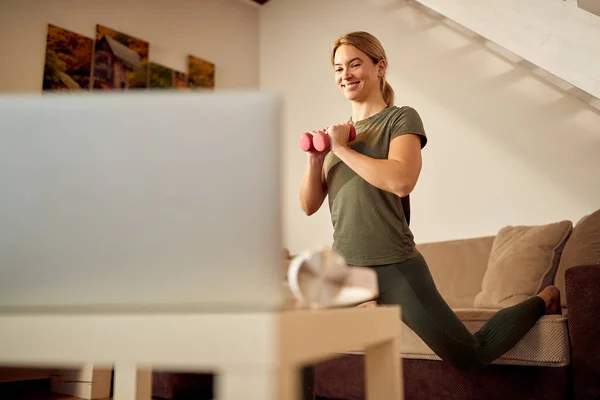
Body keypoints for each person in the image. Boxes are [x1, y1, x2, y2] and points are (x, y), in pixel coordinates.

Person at [298, 31, 561, 399]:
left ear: (380, 66)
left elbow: (401, 181)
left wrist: (340, 149)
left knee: (469, 355)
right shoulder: (335, 138)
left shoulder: (399, 119)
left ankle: (542, 300)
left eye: (355, 63)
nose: (345, 73)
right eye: (338, 67)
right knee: (297, 343)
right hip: (346, 270)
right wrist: (315, 160)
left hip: (395, 267)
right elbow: (308, 205)